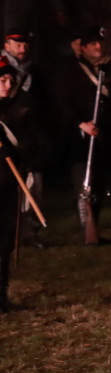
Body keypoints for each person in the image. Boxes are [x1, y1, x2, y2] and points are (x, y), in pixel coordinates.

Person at [54, 25, 111, 243]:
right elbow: (63, 104)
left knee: (100, 183)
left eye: (100, 43)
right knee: (84, 184)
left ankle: (95, 225)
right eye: (93, 43)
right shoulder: (71, 71)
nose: (98, 47)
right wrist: (81, 124)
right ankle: (87, 230)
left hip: (105, 136)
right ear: (83, 47)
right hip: (80, 138)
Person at [0, 64, 40, 312]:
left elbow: (31, 141)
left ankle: (1, 296)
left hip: (8, 183)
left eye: (9, 80)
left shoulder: (19, 109)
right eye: (2, 80)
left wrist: (15, 150)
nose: (7, 85)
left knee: (3, 242)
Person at [2, 28, 46, 247]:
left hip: (29, 139)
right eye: (18, 44)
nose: (23, 48)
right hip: (6, 140)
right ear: (7, 44)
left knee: (31, 189)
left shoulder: (34, 71)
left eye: (25, 44)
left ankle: (28, 233)